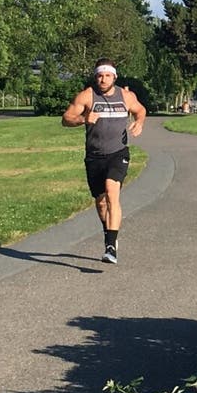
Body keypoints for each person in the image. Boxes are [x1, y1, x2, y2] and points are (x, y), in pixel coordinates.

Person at [63, 61, 146, 263]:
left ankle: (111, 247)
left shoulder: (126, 96)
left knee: (112, 192)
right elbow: (66, 118)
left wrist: (139, 122)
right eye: (100, 76)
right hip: (94, 156)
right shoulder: (87, 96)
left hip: (118, 153)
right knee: (101, 203)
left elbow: (140, 110)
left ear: (114, 77)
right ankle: (109, 233)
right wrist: (83, 119)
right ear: (96, 77)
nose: (103, 79)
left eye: (108, 76)